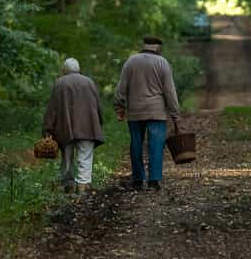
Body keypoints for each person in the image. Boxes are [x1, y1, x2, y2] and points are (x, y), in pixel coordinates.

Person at [113, 36, 181, 192]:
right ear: (158, 48)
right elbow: (169, 91)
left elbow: (121, 87)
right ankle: (154, 181)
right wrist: (175, 114)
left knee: (136, 144)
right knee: (156, 145)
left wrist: (119, 106)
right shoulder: (162, 63)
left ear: (144, 46)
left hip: (135, 112)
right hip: (156, 112)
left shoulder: (131, 61)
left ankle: (137, 180)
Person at [43, 58, 105, 196]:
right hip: (88, 126)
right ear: (79, 69)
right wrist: (99, 121)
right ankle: (82, 186)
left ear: (64, 70)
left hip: (66, 128)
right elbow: (97, 105)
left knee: (67, 157)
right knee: (85, 156)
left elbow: (52, 108)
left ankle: (68, 186)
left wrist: (47, 129)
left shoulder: (59, 83)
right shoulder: (89, 82)